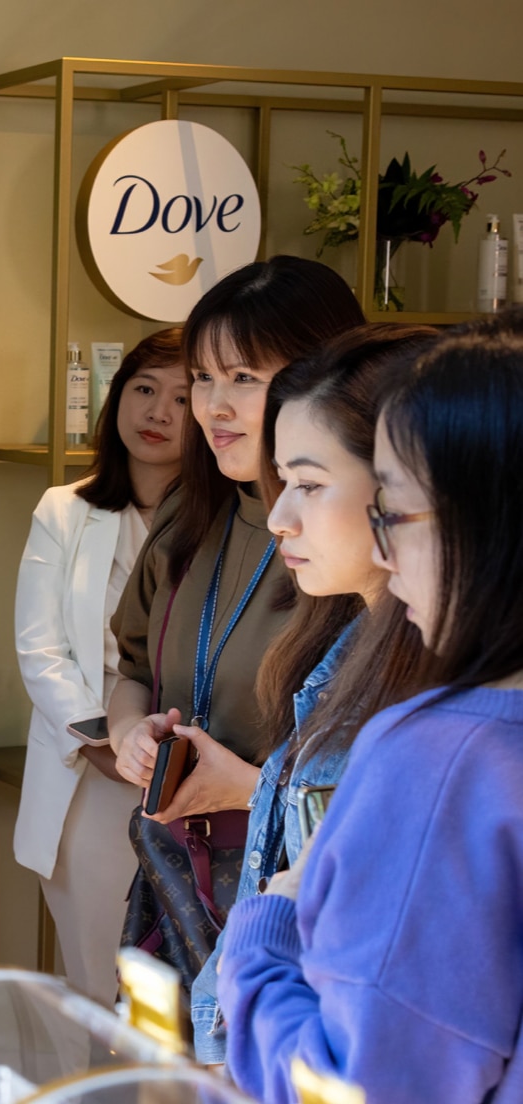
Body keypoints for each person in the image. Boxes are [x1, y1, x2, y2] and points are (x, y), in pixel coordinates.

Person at [220, 311, 523, 1103]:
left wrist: (265, 929)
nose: (385, 550)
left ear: (483, 514)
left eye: (391, 504)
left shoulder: (444, 756)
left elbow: (355, 1083)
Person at [108, 256, 364, 985]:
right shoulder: (188, 522)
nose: (213, 406)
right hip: (175, 883)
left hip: (299, 904)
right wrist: (132, 735)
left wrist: (250, 788)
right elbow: (130, 670)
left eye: (245, 379)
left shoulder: (357, 555)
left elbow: (393, 799)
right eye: (204, 380)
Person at [187, 324, 436, 1062]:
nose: (280, 518)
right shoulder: (343, 649)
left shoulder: (432, 703)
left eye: (310, 484)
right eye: (281, 483)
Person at [12, 327, 188, 1005]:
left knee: (178, 1005)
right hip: (92, 772)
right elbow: (40, 649)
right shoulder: (67, 509)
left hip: (190, 775)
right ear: (118, 399)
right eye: (144, 390)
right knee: (94, 989)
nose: (159, 412)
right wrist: (103, 744)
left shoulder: (221, 521)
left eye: (180, 396)